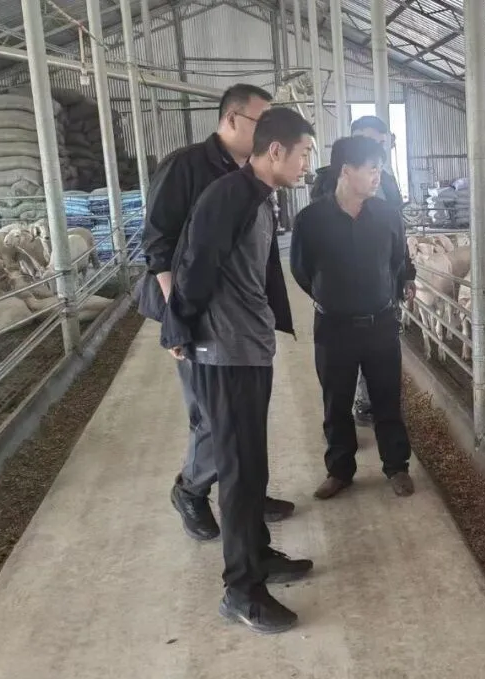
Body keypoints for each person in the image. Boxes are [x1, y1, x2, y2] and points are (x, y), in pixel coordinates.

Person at [160, 107, 316, 634]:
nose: (306, 164)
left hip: (247, 348)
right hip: (223, 353)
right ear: (275, 150)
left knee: (253, 467)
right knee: (237, 470)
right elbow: (194, 263)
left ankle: (259, 555)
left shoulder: (258, 197)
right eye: (303, 153)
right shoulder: (229, 196)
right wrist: (179, 327)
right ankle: (241, 592)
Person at [136, 83, 296, 542]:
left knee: (243, 418)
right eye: (260, 122)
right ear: (230, 119)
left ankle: (245, 493)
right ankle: (191, 489)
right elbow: (159, 245)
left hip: (239, 317)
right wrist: (178, 321)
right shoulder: (187, 167)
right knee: (212, 416)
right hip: (197, 315)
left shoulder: (253, 172)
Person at [290, 136, 416, 500]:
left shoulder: (388, 216)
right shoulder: (311, 220)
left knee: (387, 398)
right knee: (336, 401)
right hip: (334, 327)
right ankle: (340, 470)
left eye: (380, 168)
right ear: (346, 171)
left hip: (381, 323)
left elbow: (398, 260)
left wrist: (395, 286)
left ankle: (396, 466)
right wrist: (331, 298)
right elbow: (301, 270)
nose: (378, 176)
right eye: (372, 169)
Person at [309, 115, 411, 428]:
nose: (377, 149)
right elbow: (306, 259)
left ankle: (369, 405)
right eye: (369, 141)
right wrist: (326, 289)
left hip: (381, 293)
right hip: (338, 300)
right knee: (339, 370)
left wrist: (403, 275)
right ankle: (341, 424)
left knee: (380, 362)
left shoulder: (387, 182)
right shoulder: (326, 182)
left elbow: (398, 234)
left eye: (381, 143)